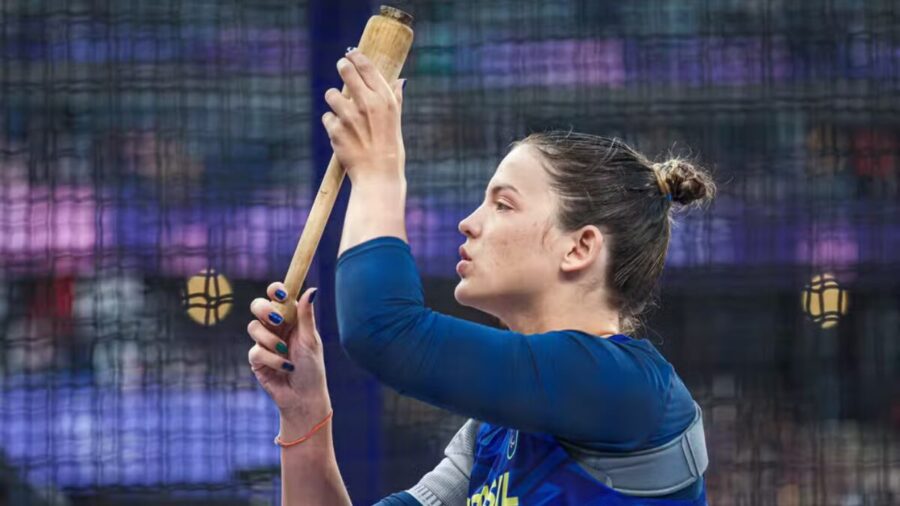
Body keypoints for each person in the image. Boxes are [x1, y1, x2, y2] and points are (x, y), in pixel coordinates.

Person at [246, 48, 716, 505]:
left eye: (503, 204)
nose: (469, 222)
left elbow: (382, 331)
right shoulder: (487, 439)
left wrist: (379, 170)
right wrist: (304, 412)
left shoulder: (627, 387)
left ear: (580, 247)